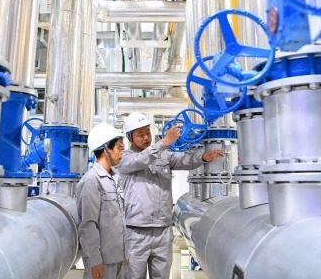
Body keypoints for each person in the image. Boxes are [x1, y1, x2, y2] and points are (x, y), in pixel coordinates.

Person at [117, 112, 224, 279]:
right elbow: (141, 160)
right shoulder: (125, 158)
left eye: (148, 132)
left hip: (163, 230)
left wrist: (203, 157)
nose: (146, 137)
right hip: (136, 232)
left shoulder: (163, 155)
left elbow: (184, 160)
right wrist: (164, 142)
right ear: (130, 138)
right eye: (140, 135)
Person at [76, 123, 127, 279]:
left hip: (119, 258)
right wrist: (95, 259)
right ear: (106, 150)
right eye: (119, 148)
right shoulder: (91, 181)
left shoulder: (115, 178)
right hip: (102, 262)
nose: (122, 152)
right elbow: (88, 224)